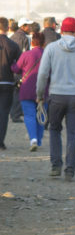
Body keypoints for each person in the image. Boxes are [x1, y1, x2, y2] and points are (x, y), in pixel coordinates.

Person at [36, 17, 75, 181]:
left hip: (56, 95)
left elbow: (42, 74)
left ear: (61, 31)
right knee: (73, 133)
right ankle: (70, 169)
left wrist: (40, 95)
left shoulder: (51, 48)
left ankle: (56, 165)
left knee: (55, 130)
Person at [11, 32, 48, 151]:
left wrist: (12, 63)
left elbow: (16, 69)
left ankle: (33, 139)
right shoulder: (48, 55)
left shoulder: (26, 54)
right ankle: (40, 140)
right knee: (41, 115)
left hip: (26, 90)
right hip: (43, 91)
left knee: (29, 115)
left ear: (32, 42)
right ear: (44, 43)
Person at [0, 17, 21, 150]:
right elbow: (18, 67)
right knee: (4, 113)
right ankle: (0, 141)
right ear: (8, 28)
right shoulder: (13, 45)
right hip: (7, 82)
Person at [10, 17, 33, 122]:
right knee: (19, 91)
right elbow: (25, 55)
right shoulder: (24, 38)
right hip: (20, 68)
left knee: (16, 90)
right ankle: (15, 114)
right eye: (28, 25)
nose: (30, 27)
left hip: (13, 67)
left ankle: (16, 112)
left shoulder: (13, 36)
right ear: (23, 26)